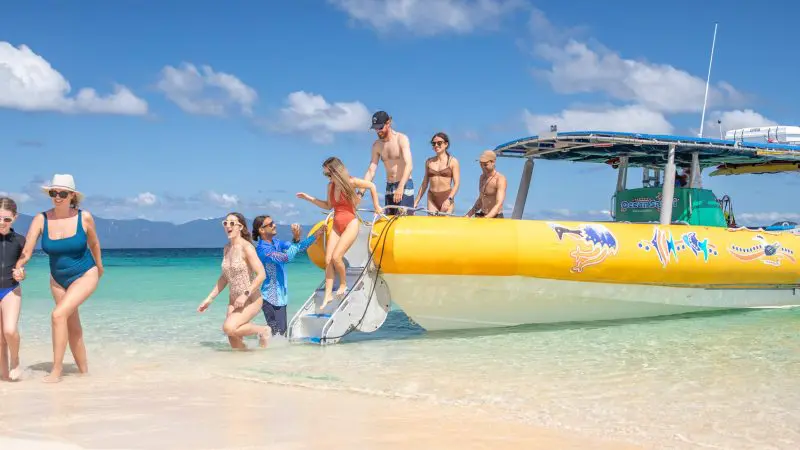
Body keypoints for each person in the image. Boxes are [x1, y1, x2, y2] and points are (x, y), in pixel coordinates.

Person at [14, 174, 104, 383]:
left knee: (57, 315)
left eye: (62, 193)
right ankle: (84, 374)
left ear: (72, 195)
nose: (57, 197)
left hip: (84, 273)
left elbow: (94, 244)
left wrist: (99, 267)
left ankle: (56, 371)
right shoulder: (41, 219)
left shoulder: (84, 217)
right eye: (53, 193)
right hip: (57, 279)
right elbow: (27, 250)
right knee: (72, 325)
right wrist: (19, 265)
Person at [297, 157, 382, 310]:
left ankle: (343, 284)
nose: (328, 178)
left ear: (337, 171)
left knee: (336, 258)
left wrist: (376, 205)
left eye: (328, 174)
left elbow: (371, 185)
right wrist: (309, 198)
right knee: (328, 259)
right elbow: (328, 206)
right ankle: (328, 294)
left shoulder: (351, 182)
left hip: (350, 223)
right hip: (336, 224)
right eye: (326, 175)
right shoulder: (330, 186)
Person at [197, 213, 270, 350]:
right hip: (233, 300)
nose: (228, 226)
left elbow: (261, 275)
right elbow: (225, 277)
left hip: (251, 299)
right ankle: (246, 363)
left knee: (228, 328)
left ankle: (263, 330)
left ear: (240, 227)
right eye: (226, 223)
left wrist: (245, 294)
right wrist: (209, 299)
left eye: (232, 223)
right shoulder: (227, 248)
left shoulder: (247, 248)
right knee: (234, 343)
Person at [252, 216, 323, 336]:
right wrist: (295, 240)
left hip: (281, 297)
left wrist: (316, 235)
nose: (274, 225)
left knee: (280, 334)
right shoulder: (262, 250)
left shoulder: (277, 243)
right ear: (261, 230)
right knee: (277, 334)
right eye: (270, 224)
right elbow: (286, 258)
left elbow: (298, 248)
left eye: (273, 222)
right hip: (269, 298)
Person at [363, 111, 414, 215]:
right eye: (375, 128)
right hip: (389, 187)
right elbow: (371, 170)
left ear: (388, 123)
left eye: (380, 128)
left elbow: (409, 165)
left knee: (403, 221)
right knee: (389, 221)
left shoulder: (401, 139)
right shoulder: (377, 145)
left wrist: (400, 187)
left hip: (404, 185)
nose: (378, 131)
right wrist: (360, 192)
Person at [0, 197, 25, 381]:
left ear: (14, 218)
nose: (2, 223)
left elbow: (21, 267)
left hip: (10, 289)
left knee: (9, 330)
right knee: (0, 340)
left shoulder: (19, 240)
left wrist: (21, 273)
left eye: (7, 219)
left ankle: (15, 360)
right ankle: (5, 382)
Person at [414, 132, 461, 215]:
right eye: (433, 143)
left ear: (446, 144)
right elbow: (425, 183)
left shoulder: (453, 161)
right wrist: (416, 201)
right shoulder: (429, 162)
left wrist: (449, 199)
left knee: (445, 226)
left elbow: (456, 184)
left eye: (439, 143)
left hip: (446, 196)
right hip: (431, 197)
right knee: (432, 225)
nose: (436, 145)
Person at [466, 151, 508, 219]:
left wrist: (486, 218)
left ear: (493, 162)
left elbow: (499, 204)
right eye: (481, 164)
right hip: (483, 215)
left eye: (485, 164)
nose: (482, 167)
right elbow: (480, 200)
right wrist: (468, 215)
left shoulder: (500, 179)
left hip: (495, 217)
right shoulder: (482, 177)